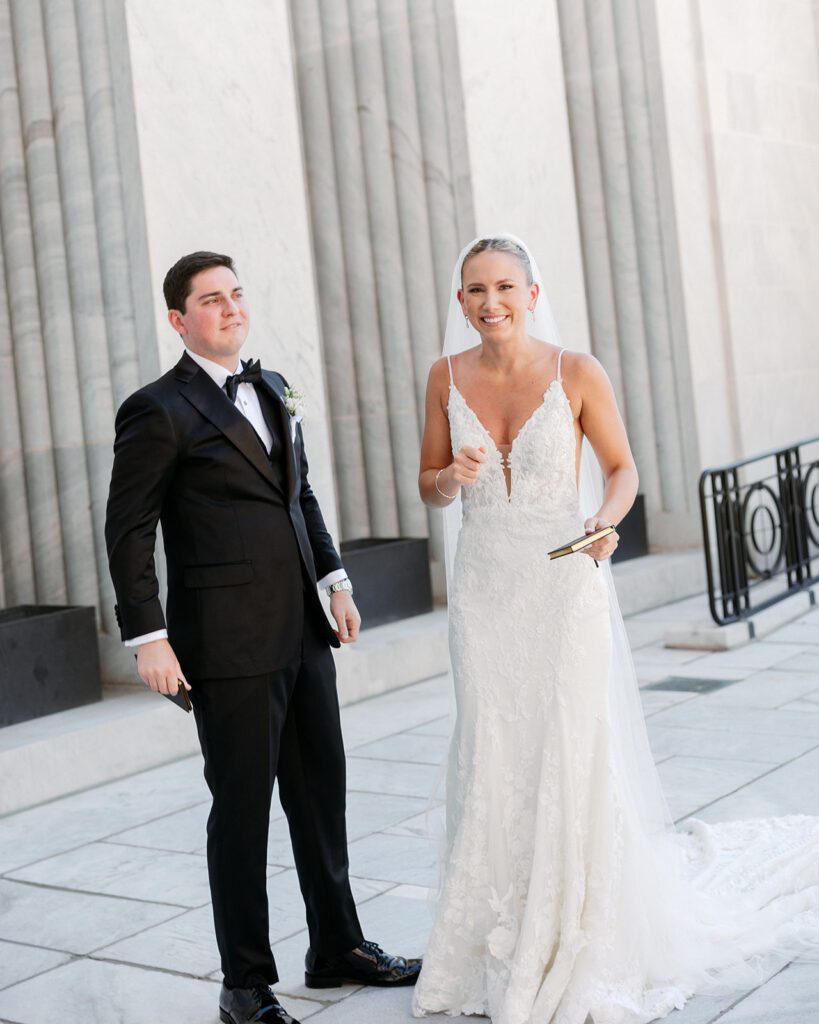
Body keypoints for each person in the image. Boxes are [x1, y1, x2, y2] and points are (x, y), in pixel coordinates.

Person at [412, 235, 819, 1024]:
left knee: (571, 747)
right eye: (473, 290)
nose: (488, 302)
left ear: (532, 293)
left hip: (565, 579)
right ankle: (498, 927)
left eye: (502, 286)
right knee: (493, 749)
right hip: (487, 591)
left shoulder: (577, 371)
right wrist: (447, 478)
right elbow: (428, 487)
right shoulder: (443, 377)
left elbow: (623, 467)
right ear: (459, 301)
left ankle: (582, 930)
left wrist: (604, 518)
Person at [105, 251, 420, 1024]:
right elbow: (127, 529)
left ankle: (337, 945)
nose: (230, 309)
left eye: (236, 294)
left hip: (303, 630)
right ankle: (243, 982)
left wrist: (335, 581)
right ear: (179, 320)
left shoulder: (273, 386)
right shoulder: (158, 408)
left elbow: (298, 491)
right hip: (227, 643)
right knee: (242, 811)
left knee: (322, 796)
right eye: (211, 301)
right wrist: (149, 635)